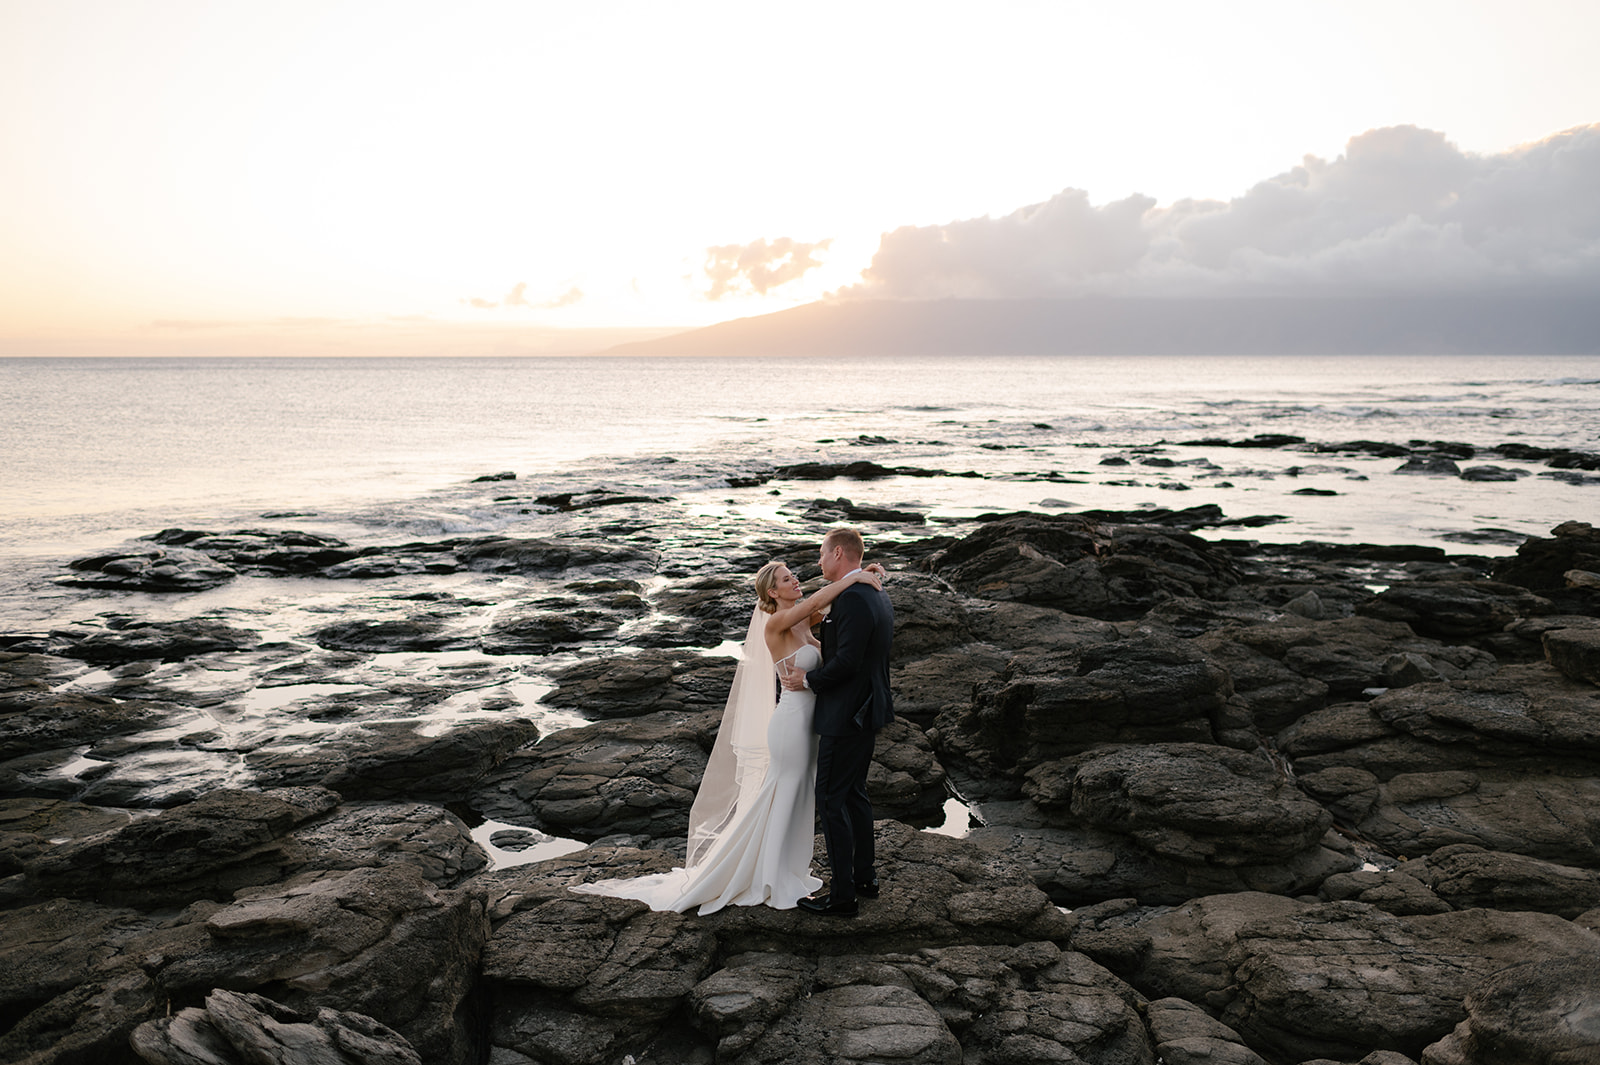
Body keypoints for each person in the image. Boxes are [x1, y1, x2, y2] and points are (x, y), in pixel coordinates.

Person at [570, 557, 882, 915]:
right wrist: (855, 576)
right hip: (791, 723)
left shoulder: (802, 621)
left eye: (793, 575)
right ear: (772, 592)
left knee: (798, 796)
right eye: (786, 578)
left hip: (811, 722)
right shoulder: (777, 623)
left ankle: (783, 867)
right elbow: (817, 601)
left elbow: (827, 604)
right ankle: (766, 874)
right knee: (782, 793)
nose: (795, 580)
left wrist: (864, 575)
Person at [778, 527, 894, 918]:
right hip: (866, 709)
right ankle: (865, 877)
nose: (818, 561)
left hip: (847, 714)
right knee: (854, 794)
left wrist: (807, 680)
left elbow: (846, 662)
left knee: (830, 800)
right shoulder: (871, 592)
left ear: (839, 553)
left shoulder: (856, 598)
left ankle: (844, 895)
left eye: (822, 554)